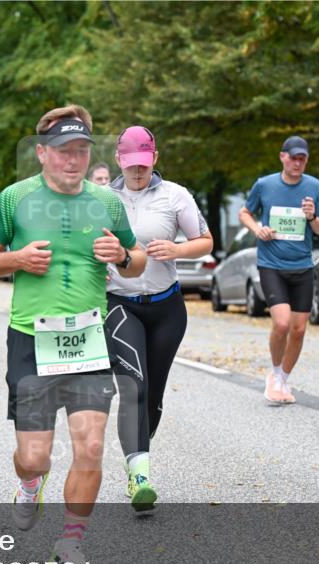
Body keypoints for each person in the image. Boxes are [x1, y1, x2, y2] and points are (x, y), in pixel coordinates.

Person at [0, 104, 146, 564]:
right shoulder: (15, 200)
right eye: (65, 151)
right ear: (42, 154)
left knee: (90, 446)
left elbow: (138, 261)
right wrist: (18, 259)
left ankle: (70, 543)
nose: (75, 159)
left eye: (83, 150)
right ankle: (29, 483)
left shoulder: (107, 203)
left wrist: (125, 255)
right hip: (31, 338)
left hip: (88, 339)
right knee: (35, 456)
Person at [106, 126, 214, 511]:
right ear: (119, 159)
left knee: (152, 395)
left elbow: (206, 241)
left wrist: (178, 248)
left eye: (144, 164)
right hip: (120, 304)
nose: (138, 172)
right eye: (132, 164)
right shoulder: (104, 197)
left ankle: (135, 455)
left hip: (167, 308)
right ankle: (140, 479)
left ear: (155, 159)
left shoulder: (175, 195)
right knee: (133, 385)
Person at [238, 136, 319, 405]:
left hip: (302, 265)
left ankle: (283, 379)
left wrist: (313, 216)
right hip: (272, 265)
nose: (297, 163)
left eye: (302, 158)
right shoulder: (265, 185)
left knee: (299, 330)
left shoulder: (315, 187)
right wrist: (258, 229)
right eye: (293, 157)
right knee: (282, 323)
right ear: (282, 157)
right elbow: (244, 212)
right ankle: (275, 372)